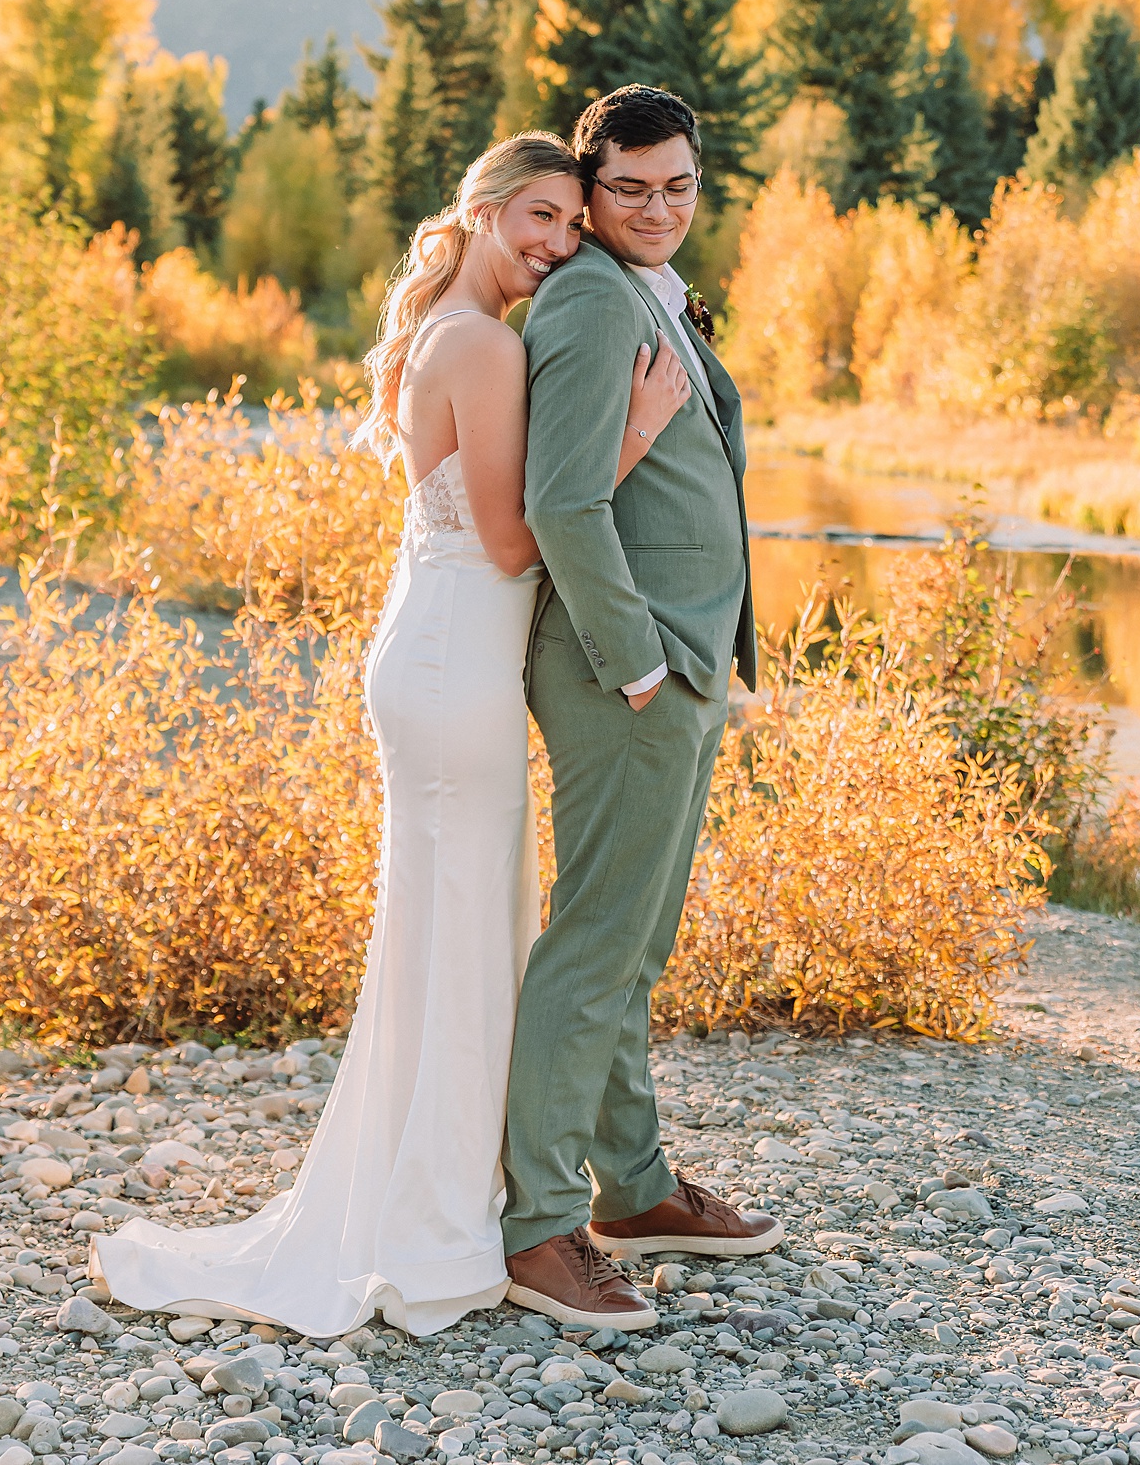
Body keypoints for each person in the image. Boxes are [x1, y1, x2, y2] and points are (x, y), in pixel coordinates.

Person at [91, 132, 691, 1339]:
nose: (556, 243)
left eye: (571, 225)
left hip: (437, 650)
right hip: (453, 662)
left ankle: (443, 1197)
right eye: (536, 215)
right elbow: (522, 543)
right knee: (467, 927)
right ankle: (440, 1219)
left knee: (451, 929)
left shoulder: (458, 334)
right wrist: (633, 431)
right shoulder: (476, 343)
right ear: (476, 211)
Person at [502, 84, 780, 1332]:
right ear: (591, 187)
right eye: (628, 188)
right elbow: (564, 502)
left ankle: (636, 1187)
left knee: (637, 944)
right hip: (629, 671)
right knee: (594, 944)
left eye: (677, 185)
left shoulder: (647, 295)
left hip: (677, 668)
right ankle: (541, 1228)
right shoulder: (586, 302)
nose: (656, 207)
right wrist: (640, 666)